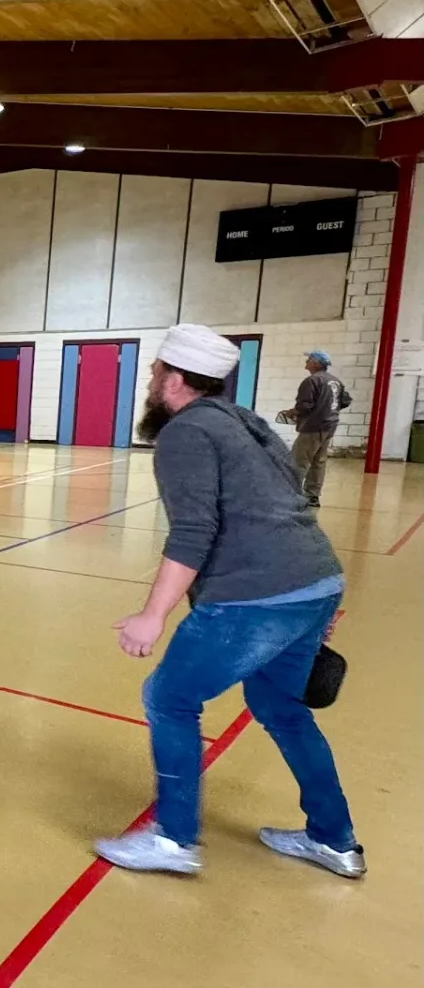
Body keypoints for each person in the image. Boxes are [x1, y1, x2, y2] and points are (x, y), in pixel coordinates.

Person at [95, 324, 362, 879]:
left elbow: (193, 531)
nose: (149, 379)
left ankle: (172, 840)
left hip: (257, 595)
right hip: (315, 581)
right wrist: (305, 598)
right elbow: (293, 496)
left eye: (154, 370)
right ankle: (334, 840)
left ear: (175, 379)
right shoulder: (246, 421)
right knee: (280, 709)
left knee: (168, 698)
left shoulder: (185, 433)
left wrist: (153, 616)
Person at [283, 350, 351, 508]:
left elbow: (305, 406)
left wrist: (292, 412)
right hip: (330, 425)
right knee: (318, 461)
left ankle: (292, 494)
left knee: (299, 460)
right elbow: (345, 401)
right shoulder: (335, 381)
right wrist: (327, 408)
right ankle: (312, 496)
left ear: (316, 363)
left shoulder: (312, 381)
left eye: (309, 359)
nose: (306, 362)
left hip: (313, 427)